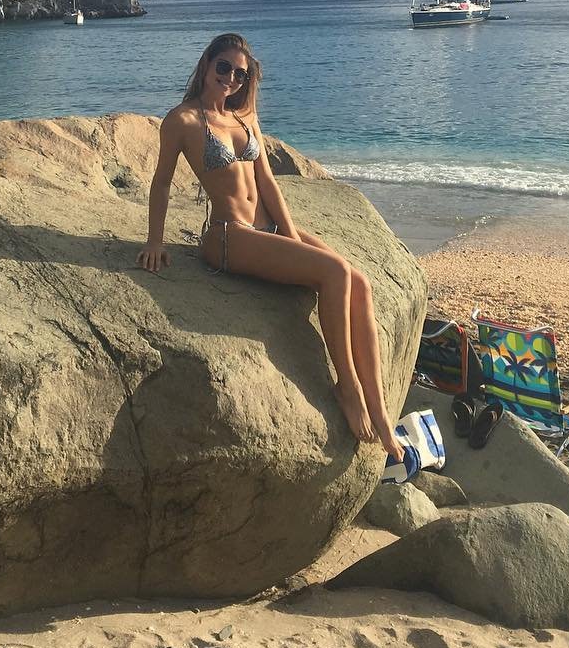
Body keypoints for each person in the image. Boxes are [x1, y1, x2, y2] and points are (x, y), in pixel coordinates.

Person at [136, 32, 404, 461]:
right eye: (223, 67)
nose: (230, 78)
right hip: (229, 236)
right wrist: (155, 240)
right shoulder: (182, 121)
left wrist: (292, 237)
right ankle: (348, 387)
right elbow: (162, 183)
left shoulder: (245, 117)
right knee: (335, 273)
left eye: (240, 74)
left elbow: (268, 184)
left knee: (359, 281)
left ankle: (382, 413)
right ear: (206, 64)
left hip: (269, 229)